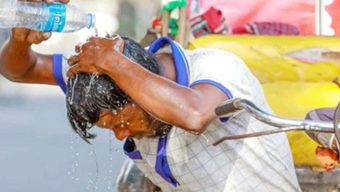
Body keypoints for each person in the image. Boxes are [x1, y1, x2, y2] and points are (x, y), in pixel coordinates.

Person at [0, 1, 301, 191]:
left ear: (135, 87)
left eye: (122, 121)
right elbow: (20, 70)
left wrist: (114, 62)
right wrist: (19, 39)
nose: (121, 135)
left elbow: (193, 115)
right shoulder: (102, 78)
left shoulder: (219, 68)